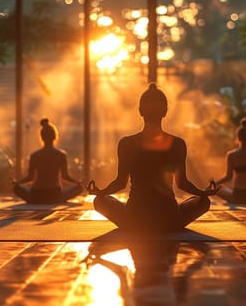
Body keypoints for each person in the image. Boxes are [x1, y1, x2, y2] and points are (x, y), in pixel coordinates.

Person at [87, 83, 218, 233]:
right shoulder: (177, 144)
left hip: (135, 217)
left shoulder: (127, 143)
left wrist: (100, 192)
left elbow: (120, 183)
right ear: (165, 112)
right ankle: (169, 223)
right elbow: (182, 184)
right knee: (203, 202)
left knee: (100, 201)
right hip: (169, 217)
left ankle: (134, 224)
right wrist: (203, 193)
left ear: (140, 111)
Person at [12, 118, 82, 204]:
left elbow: (30, 177)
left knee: (17, 188)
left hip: (36, 195)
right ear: (55, 137)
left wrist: (17, 182)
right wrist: (77, 182)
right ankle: (56, 199)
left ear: (41, 137)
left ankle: (36, 199)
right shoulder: (61, 155)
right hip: (55, 195)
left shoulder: (35, 155)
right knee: (79, 188)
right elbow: (65, 176)